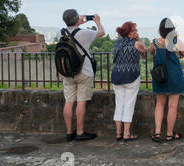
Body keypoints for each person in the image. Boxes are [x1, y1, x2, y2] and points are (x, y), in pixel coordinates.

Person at [60, 9, 105, 141]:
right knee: (81, 102)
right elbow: (102, 32)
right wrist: (97, 21)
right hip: (84, 71)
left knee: (68, 102)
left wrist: (76, 23)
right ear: (77, 19)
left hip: (67, 72)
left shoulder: (60, 32)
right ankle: (80, 132)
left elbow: (71, 32)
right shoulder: (85, 33)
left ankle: (69, 132)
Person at [149, 18, 184, 142]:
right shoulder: (177, 42)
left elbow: (151, 52)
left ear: (160, 30)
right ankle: (170, 134)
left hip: (161, 76)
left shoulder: (155, 42)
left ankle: (157, 133)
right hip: (175, 75)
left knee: (159, 104)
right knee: (172, 106)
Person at [111, 22, 147, 142]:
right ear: (130, 32)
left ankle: (118, 133)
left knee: (119, 104)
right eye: (135, 29)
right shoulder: (137, 43)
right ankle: (126, 134)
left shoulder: (116, 43)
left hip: (117, 76)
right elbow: (145, 51)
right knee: (129, 104)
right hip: (131, 76)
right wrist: (138, 39)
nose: (137, 31)